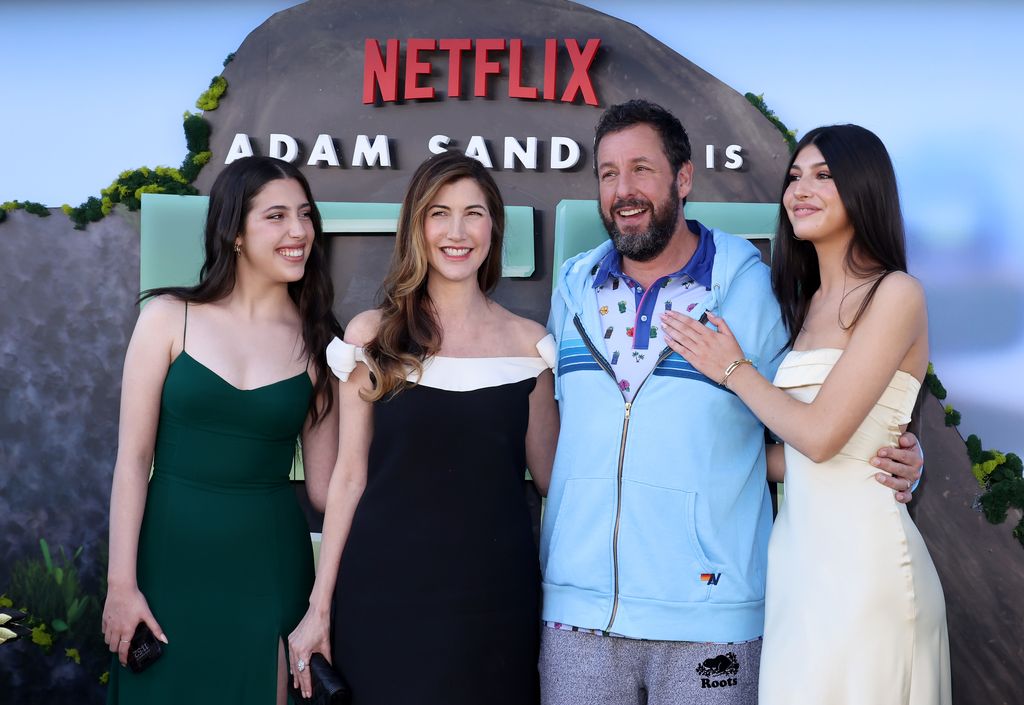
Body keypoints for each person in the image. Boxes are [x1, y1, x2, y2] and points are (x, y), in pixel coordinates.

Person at [540, 100, 925, 705]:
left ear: (684, 178)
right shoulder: (571, 289)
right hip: (580, 610)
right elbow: (561, 429)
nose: (623, 189)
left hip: (714, 609)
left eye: (641, 168)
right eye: (608, 173)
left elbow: (805, 422)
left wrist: (892, 447)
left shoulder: (755, 290)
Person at [661, 124, 951, 704]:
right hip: (796, 569)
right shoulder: (805, 302)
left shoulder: (896, 294)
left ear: (864, 190)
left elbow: (819, 437)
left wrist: (733, 368)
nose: (801, 189)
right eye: (794, 177)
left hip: (868, 571)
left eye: (823, 176)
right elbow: (795, 455)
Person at [286, 150, 559, 705]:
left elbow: (557, 480)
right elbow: (348, 478)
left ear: (493, 226)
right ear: (417, 225)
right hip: (382, 597)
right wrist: (319, 608)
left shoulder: (531, 345)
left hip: (494, 604)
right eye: (439, 212)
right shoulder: (373, 336)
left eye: (473, 213)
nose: (457, 231)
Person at [102, 156, 342, 705]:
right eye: (277, 216)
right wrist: (121, 584)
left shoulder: (323, 342)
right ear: (234, 232)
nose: (299, 231)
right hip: (165, 566)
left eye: (305, 215)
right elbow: (133, 461)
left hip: (270, 572)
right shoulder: (167, 316)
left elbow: (329, 489)